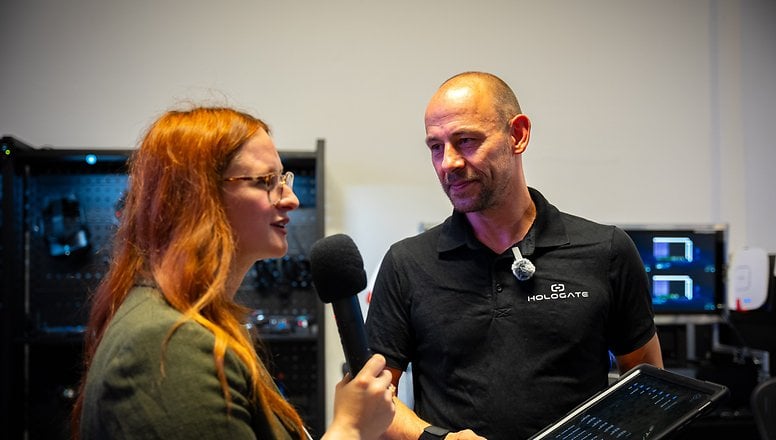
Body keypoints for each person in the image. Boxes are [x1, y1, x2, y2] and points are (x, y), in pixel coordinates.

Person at [365, 72, 663, 440]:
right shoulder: (407, 264)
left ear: (517, 135)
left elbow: (648, 388)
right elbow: (372, 402)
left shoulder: (606, 251)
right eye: (436, 147)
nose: (449, 163)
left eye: (466, 141)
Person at [72, 106, 395, 440]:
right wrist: (350, 429)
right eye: (266, 181)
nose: (292, 200)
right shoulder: (167, 344)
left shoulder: (196, 324)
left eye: (282, 179)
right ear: (198, 195)